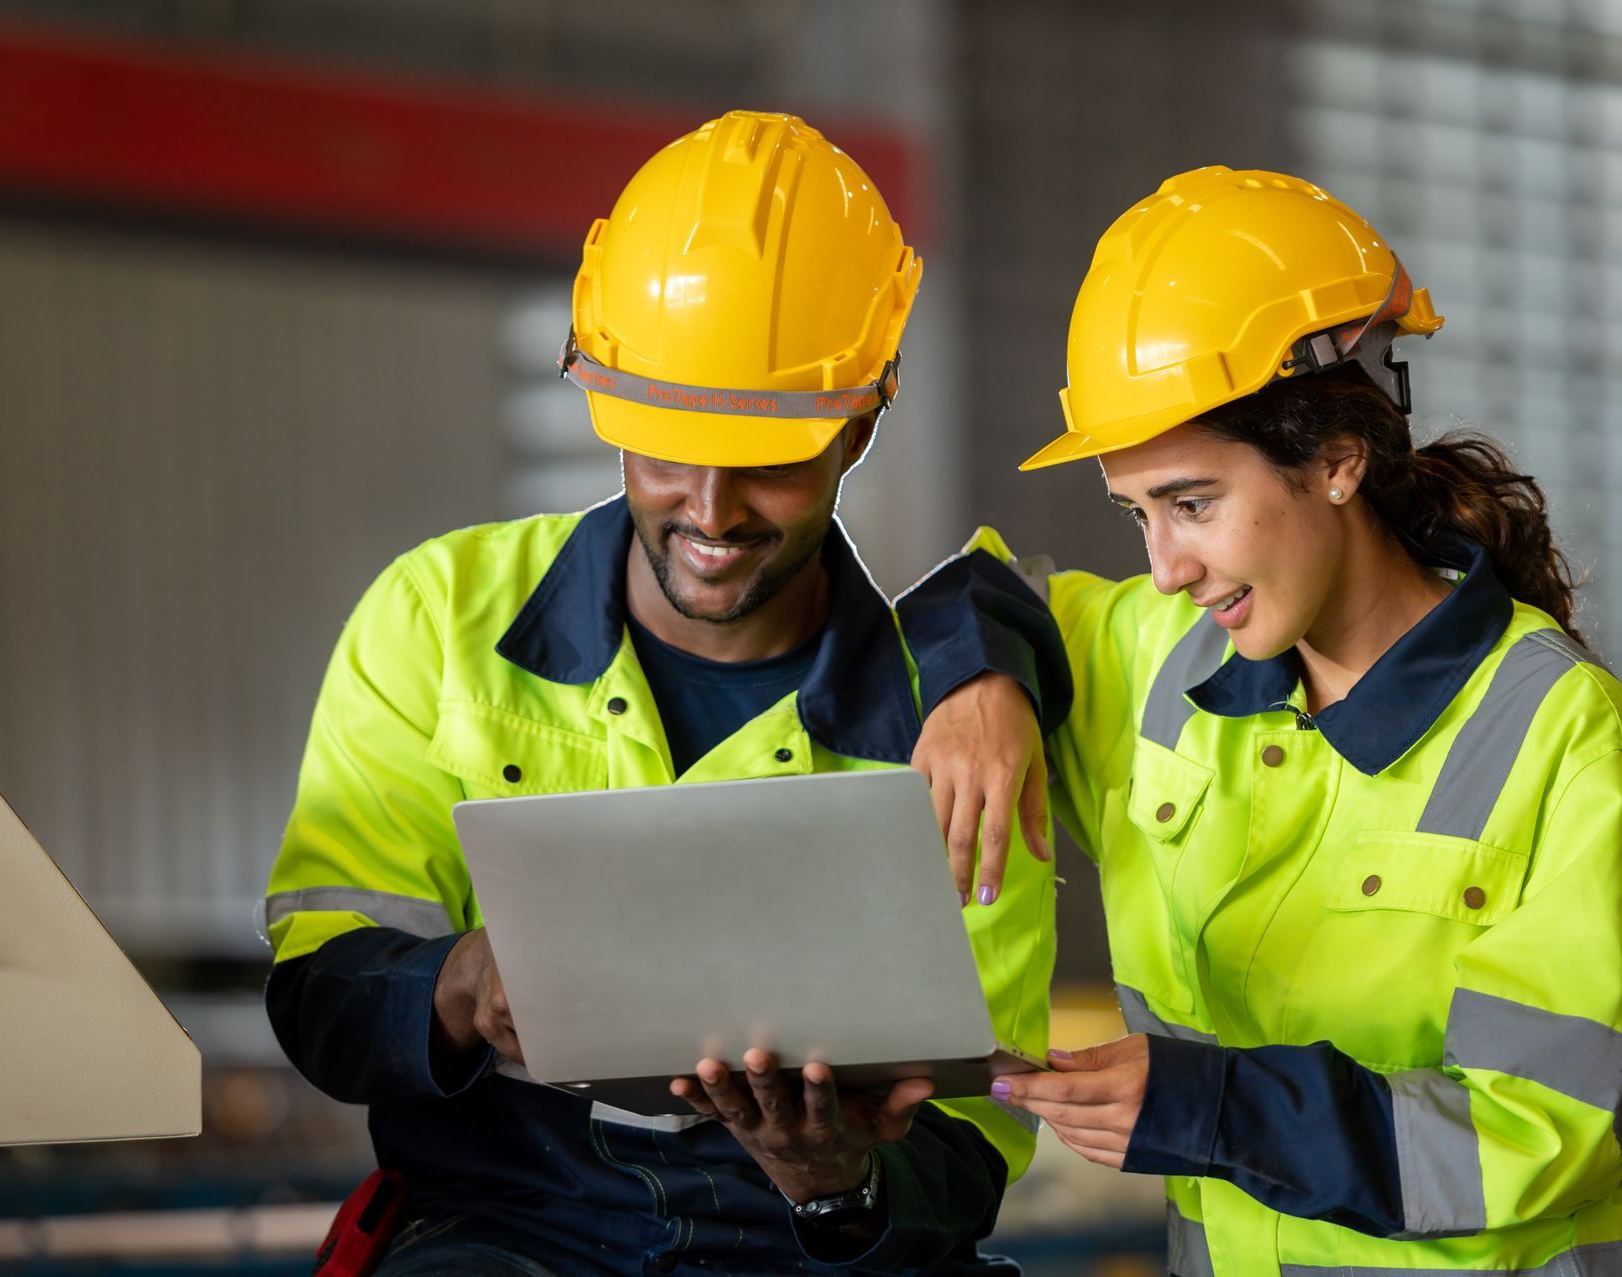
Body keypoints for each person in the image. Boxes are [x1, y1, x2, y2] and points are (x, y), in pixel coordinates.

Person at [263, 111, 1066, 1277]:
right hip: (507, 1227)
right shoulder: (441, 617)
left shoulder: (953, 726)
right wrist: (457, 984)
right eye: (663, 444)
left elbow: (973, 1139)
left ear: (864, 422)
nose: (711, 507)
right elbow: (322, 994)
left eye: (773, 461)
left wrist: (838, 1181)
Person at [908, 165, 1622, 1276]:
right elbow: (977, 591)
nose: (1164, 566)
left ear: (1339, 458)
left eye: (1192, 503)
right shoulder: (1160, 653)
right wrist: (977, 681)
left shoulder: (1564, 738)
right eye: (1135, 512)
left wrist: (1210, 1105)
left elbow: (1545, 1126)